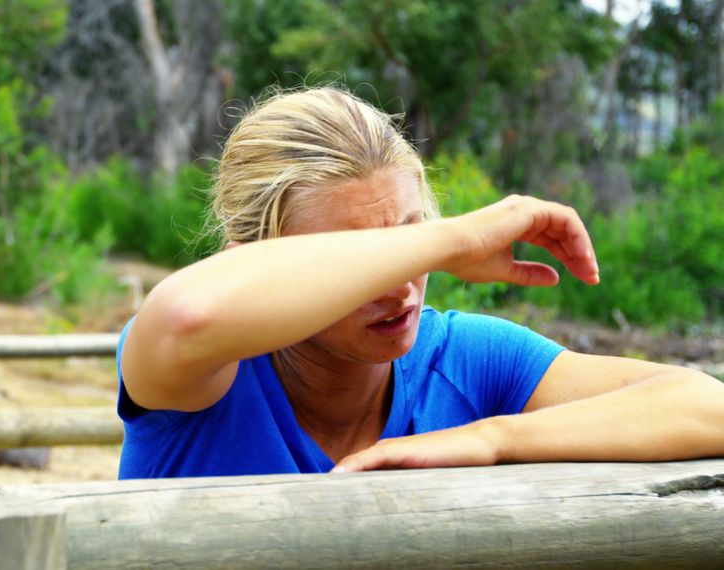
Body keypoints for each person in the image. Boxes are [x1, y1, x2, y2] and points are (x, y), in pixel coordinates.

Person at [115, 86, 724, 479]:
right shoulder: (200, 380)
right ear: (252, 256)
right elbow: (187, 314)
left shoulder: (464, 360)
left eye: (411, 233)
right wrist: (453, 240)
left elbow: (708, 406)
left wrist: (496, 438)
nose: (401, 285)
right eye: (360, 258)